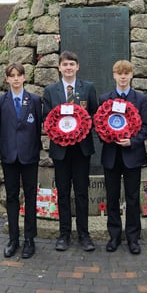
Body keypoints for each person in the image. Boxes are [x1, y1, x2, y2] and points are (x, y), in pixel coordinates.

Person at [42, 50, 98, 252]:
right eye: (64, 64)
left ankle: (84, 234)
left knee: (82, 193)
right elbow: (47, 119)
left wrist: (80, 130)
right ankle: (64, 234)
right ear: (59, 67)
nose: (68, 68)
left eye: (71, 64)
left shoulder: (88, 88)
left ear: (77, 67)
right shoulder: (50, 91)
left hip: (81, 150)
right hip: (60, 151)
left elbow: (94, 116)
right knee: (63, 193)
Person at [99, 60, 147, 254]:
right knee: (111, 197)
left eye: (126, 73)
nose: (123, 76)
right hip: (111, 155)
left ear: (131, 75)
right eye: (119, 73)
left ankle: (133, 238)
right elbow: (99, 125)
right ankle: (114, 236)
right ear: (114, 75)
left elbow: (145, 127)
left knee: (133, 198)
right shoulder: (105, 98)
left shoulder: (140, 99)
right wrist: (109, 136)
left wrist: (133, 141)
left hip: (132, 154)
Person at [0, 63, 42, 259]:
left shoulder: (35, 100)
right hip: (9, 156)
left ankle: (30, 239)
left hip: (29, 156)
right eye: (11, 75)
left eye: (18, 75)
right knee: (11, 197)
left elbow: (38, 128)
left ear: (24, 78)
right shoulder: (0, 102)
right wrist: (7, 147)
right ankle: (14, 239)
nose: (15, 79)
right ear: (7, 79)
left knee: (31, 197)